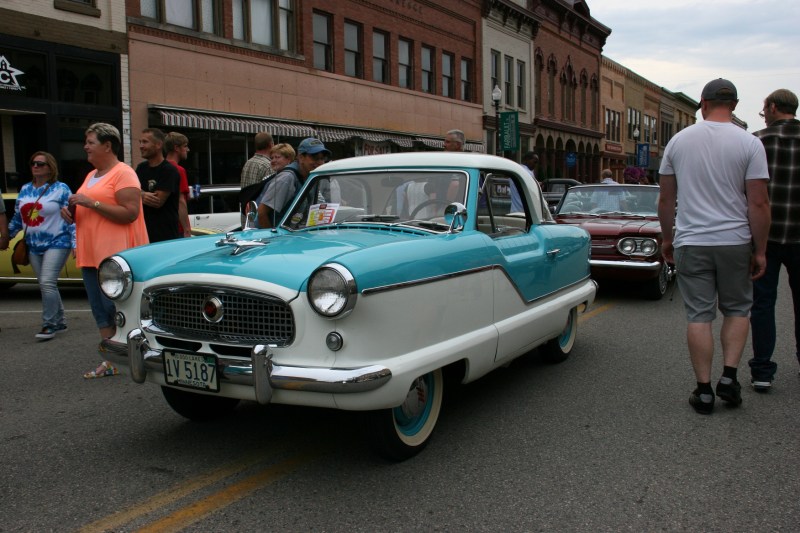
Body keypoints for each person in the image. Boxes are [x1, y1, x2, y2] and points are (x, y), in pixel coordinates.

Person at [657, 78, 771, 414]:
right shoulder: (750, 144)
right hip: (735, 241)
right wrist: (760, 249)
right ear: (734, 105)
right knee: (738, 309)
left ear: (703, 104)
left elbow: (666, 198)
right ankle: (730, 378)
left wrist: (667, 238)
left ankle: (704, 390)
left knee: (699, 315)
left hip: (692, 240)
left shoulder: (678, 142)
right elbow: (759, 204)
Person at [63, 123, 149, 378]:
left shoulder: (124, 174)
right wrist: (72, 215)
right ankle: (111, 357)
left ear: (108, 145)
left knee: (117, 308)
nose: (85, 146)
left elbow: (130, 213)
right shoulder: (91, 175)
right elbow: (90, 210)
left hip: (116, 256)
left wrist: (92, 202)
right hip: (91, 253)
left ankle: (135, 353)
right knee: (100, 310)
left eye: (90, 142)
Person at [749, 88, 800, 392]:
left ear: (772, 107)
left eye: (764, 109)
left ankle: (762, 371)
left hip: (764, 238)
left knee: (763, 304)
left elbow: (747, 194)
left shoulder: (757, 141)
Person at [7, 152, 75, 340]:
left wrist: (76, 242)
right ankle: (60, 322)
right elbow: (18, 218)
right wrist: (6, 236)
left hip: (58, 241)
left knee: (46, 282)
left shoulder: (61, 189)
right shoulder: (25, 189)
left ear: (50, 167)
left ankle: (49, 325)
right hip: (33, 245)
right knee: (47, 284)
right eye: (33, 163)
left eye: (40, 164)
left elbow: (73, 217)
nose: (35, 166)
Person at [258, 138, 330, 228]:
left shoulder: (312, 177)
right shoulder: (287, 178)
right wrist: (273, 238)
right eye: (314, 157)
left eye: (322, 158)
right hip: (281, 238)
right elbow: (261, 213)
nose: (320, 162)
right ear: (300, 157)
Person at [136, 128, 181, 242]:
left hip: (165, 236)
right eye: (140, 142)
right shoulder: (141, 168)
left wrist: (138, 194)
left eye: (145, 142)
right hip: (143, 233)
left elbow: (157, 201)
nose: (141, 146)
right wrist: (141, 195)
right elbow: (130, 193)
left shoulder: (169, 170)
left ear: (158, 145)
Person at [240, 132, 275, 225]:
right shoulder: (268, 166)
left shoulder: (248, 163)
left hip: (246, 218)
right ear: (270, 145)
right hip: (260, 221)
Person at [165, 131, 192, 238]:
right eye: (185, 146)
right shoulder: (178, 170)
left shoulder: (161, 168)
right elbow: (180, 201)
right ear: (176, 148)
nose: (188, 149)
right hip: (177, 227)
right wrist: (186, 229)